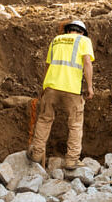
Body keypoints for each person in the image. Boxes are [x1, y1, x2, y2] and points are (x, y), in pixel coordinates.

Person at [28, 18, 95, 170]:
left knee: (44, 119)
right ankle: (71, 160)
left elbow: (48, 65)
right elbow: (87, 63)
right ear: (82, 32)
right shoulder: (84, 41)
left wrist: (44, 86)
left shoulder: (56, 40)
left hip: (51, 86)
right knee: (75, 124)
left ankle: (36, 154)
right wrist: (89, 86)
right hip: (71, 89)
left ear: (68, 30)